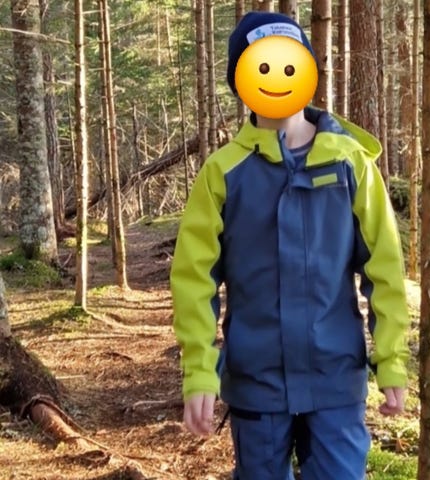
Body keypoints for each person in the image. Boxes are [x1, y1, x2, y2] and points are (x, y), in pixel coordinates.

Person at [170, 11, 411, 480]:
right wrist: (199, 370)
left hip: (335, 381)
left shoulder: (351, 165)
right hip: (257, 385)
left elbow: (384, 270)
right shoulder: (222, 174)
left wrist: (392, 361)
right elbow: (193, 281)